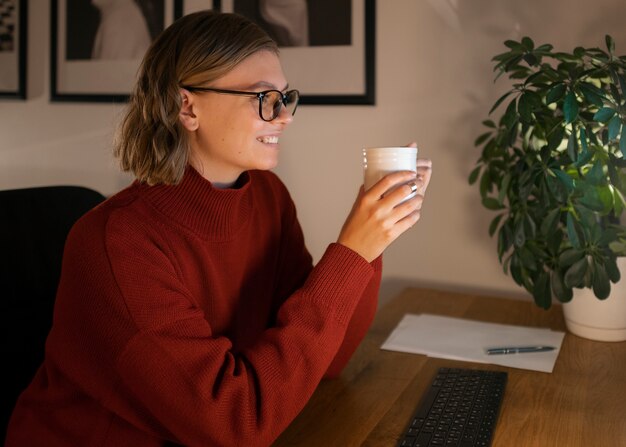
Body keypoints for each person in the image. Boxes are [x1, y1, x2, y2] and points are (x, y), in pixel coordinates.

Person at [5, 10, 432, 447]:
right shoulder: (116, 243)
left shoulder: (267, 196)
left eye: (286, 98)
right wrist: (353, 252)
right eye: (264, 98)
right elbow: (234, 422)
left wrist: (373, 239)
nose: (284, 116)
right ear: (187, 107)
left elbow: (324, 362)